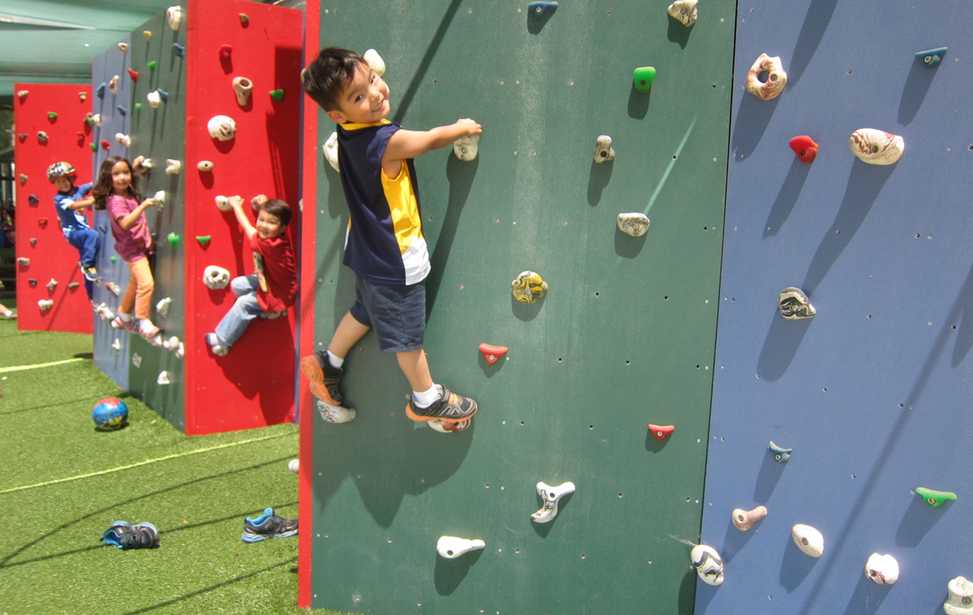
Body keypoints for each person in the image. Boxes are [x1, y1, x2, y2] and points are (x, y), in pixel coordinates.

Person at [299, 47, 482, 426]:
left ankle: (328, 362)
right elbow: (429, 140)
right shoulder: (385, 141)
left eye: (373, 81)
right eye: (359, 97)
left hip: (366, 253)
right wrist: (461, 129)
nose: (377, 94)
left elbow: (355, 93)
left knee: (364, 311)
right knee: (406, 335)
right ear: (337, 114)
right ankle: (426, 398)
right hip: (394, 259)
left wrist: (353, 83)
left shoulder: (348, 131)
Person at [204, 195, 296, 356]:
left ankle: (223, 340)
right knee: (237, 285)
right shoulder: (276, 237)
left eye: (271, 222)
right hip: (270, 280)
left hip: (280, 294)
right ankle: (266, 311)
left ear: (282, 228)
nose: (263, 225)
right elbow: (261, 227)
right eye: (261, 219)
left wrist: (236, 206)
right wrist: (264, 204)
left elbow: (248, 228)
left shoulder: (271, 245)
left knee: (243, 303)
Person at [91, 156, 162, 340]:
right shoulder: (115, 201)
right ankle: (143, 321)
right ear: (108, 178)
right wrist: (144, 205)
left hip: (138, 245)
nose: (122, 177)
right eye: (116, 174)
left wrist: (135, 167)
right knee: (147, 283)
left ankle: (122, 316)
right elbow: (126, 224)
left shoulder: (126, 191)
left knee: (135, 283)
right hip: (132, 249)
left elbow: (131, 179)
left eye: (125, 172)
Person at [47, 161, 100, 301]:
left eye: (65, 180)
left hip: (82, 233)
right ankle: (88, 266)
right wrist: (94, 200)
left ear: (71, 178)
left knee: (88, 257)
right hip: (73, 234)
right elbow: (75, 205)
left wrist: (104, 182)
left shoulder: (78, 191)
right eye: (58, 182)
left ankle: (91, 295)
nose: (62, 184)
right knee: (92, 234)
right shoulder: (59, 199)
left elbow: (92, 184)